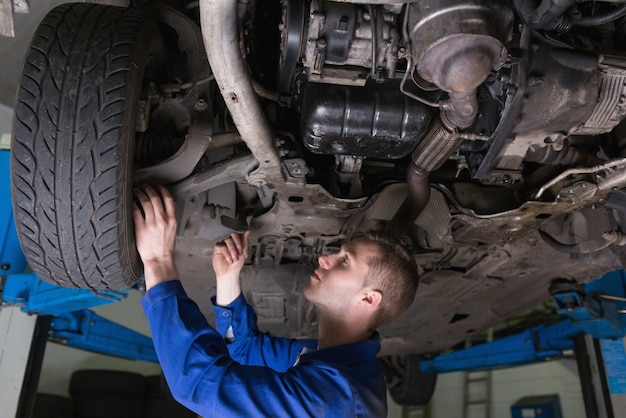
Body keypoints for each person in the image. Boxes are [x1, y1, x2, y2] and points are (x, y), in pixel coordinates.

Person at [134, 184, 419, 417]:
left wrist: (158, 262)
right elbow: (244, 351)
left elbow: (199, 385)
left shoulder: (337, 399)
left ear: (368, 298)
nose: (324, 258)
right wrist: (228, 278)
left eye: (345, 261)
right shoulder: (330, 362)